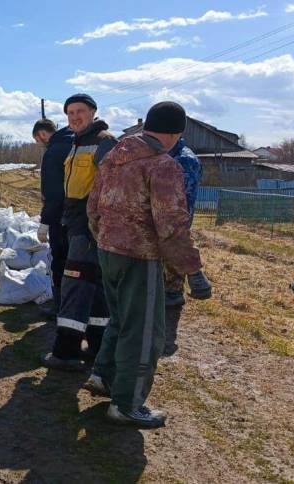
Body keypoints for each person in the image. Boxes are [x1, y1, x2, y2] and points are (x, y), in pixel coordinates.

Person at [83, 101, 212, 428]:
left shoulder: (113, 157)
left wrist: (106, 240)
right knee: (144, 334)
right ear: (175, 134)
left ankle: (104, 377)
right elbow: (172, 227)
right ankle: (127, 405)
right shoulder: (162, 165)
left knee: (121, 320)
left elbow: (94, 207)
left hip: (107, 251)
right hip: (140, 259)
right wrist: (194, 272)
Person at [41, 94, 116, 371]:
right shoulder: (77, 142)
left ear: (94, 112)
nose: (74, 116)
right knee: (94, 289)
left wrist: (94, 222)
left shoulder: (104, 142)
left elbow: (111, 187)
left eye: (80, 111)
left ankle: (66, 352)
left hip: (89, 226)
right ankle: (97, 348)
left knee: (74, 284)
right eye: (70, 112)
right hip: (76, 224)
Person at [163, 137, 204, 356]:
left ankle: (166, 341)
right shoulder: (160, 152)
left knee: (171, 288)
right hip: (154, 234)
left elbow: (182, 207)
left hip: (173, 236)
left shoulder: (185, 161)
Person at [33, 118, 74, 319]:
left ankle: (60, 307)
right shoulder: (77, 141)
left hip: (60, 218)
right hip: (81, 215)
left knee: (59, 262)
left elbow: (53, 193)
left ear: (42, 134)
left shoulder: (53, 152)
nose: (39, 144)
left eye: (37, 140)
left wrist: (45, 221)